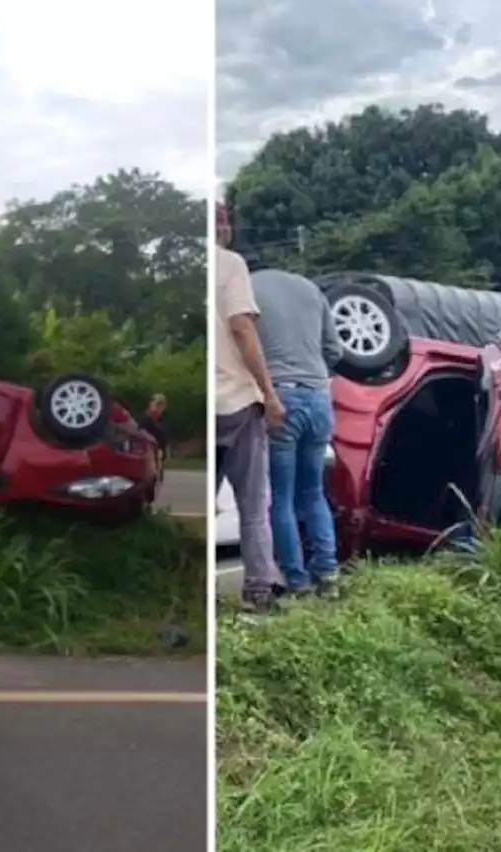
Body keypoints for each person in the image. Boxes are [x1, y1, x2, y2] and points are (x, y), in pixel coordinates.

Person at [250, 267, 345, 599]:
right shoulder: (312, 289)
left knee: (282, 497)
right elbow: (335, 350)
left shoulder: (247, 287)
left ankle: (297, 581)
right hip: (319, 397)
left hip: (280, 398)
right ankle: (328, 574)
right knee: (314, 491)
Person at [213, 202, 286, 614]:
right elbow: (241, 326)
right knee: (253, 503)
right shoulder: (229, 264)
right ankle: (260, 589)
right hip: (236, 400)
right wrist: (269, 393)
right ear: (224, 230)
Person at [138, 393, 169, 468]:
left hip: (159, 453)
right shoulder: (145, 420)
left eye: (161, 405)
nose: (160, 407)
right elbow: (141, 431)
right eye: (157, 404)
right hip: (150, 452)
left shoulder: (161, 420)